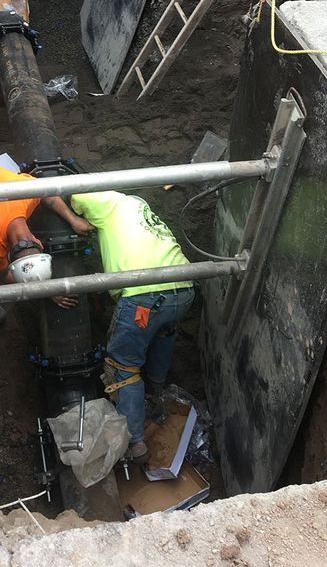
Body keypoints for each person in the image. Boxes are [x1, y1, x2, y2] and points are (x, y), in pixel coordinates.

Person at [70, 191, 194, 464]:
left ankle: (135, 443)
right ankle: (157, 393)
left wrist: (72, 217)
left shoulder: (108, 202)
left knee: (122, 366)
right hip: (183, 287)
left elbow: (72, 194)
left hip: (144, 297)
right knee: (163, 332)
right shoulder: (139, 205)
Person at [0, 161, 93, 324]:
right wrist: (46, 291)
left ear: (38, 242)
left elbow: (48, 192)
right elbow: (1, 274)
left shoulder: (26, 197)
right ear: (38, 243)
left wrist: (73, 219)